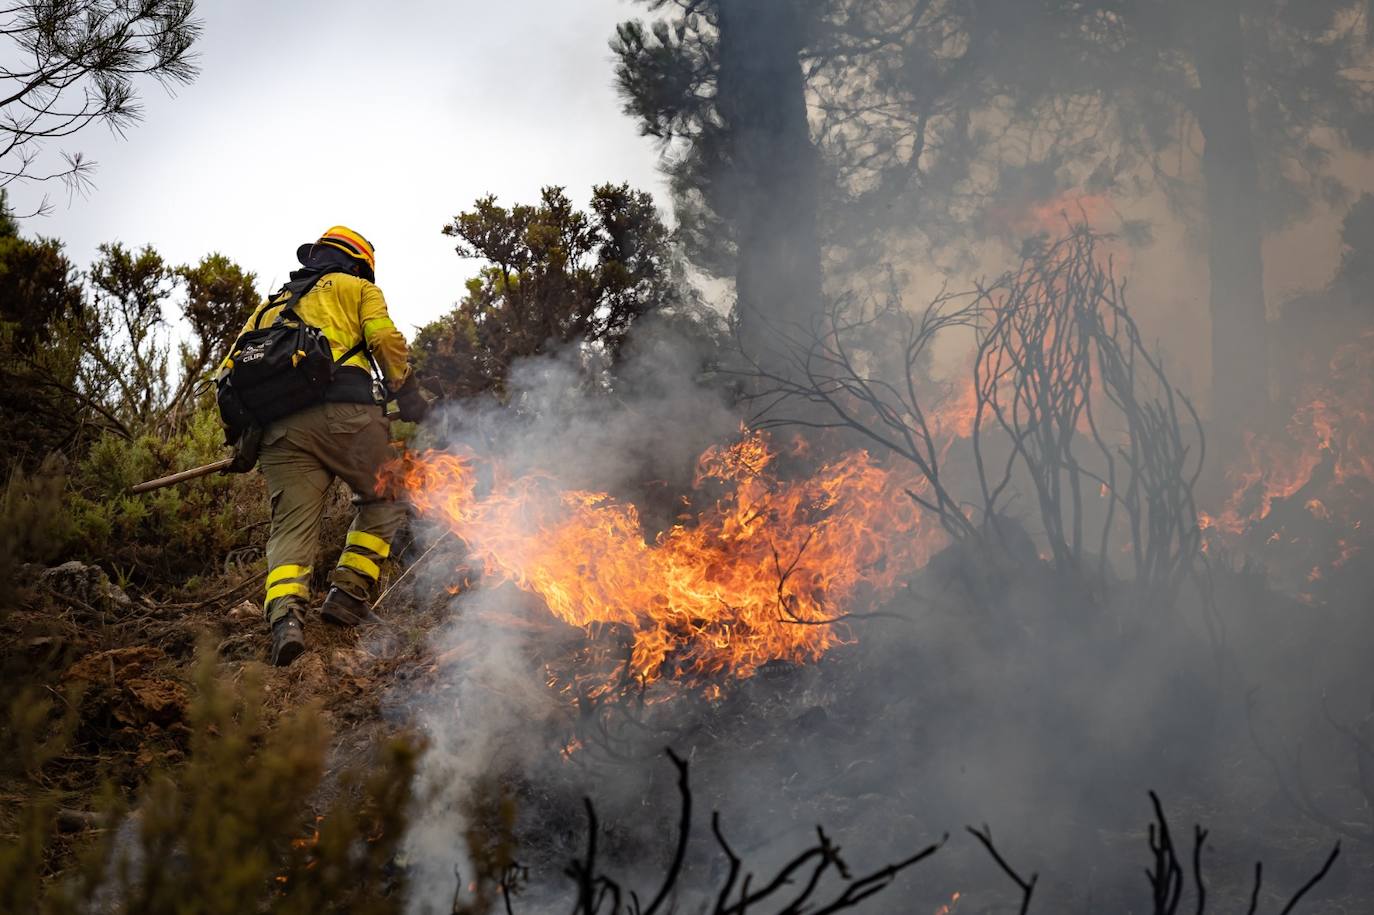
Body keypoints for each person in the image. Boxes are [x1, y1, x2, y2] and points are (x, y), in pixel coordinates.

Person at [221, 226, 429, 666]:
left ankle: (285, 620)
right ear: (359, 264)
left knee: (290, 530)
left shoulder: (269, 306)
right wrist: (407, 392)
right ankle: (348, 595)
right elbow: (383, 340)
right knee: (389, 495)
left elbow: (228, 375)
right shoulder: (359, 289)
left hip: (279, 433)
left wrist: (240, 441)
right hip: (347, 417)